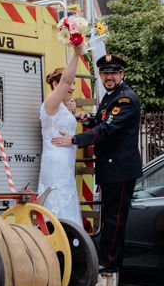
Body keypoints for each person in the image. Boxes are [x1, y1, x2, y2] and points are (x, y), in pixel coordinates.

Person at [52, 54, 141, 272]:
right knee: (110, 219)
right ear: (100, 75)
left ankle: (108, 265)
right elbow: (103, 121)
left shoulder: (125, 98)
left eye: (113, 73)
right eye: (105, 73)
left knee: (114, 220)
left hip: (119, 169)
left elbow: (107, 129)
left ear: (122, 74)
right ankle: (107, 261)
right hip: (111, 169)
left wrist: (73, 139)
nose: (108, 77)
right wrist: (88, 119)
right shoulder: (111, 96)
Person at [38, 46, 83, 227]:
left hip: (66, 163)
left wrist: (75, 114)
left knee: (67, 198)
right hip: (55, 163)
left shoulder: (63, 106)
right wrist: (76, 53)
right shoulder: (50, 102)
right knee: (57, 200)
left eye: (74, 84)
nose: (72, 87)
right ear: (56, 85)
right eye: (69, 84)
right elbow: (66, 80)